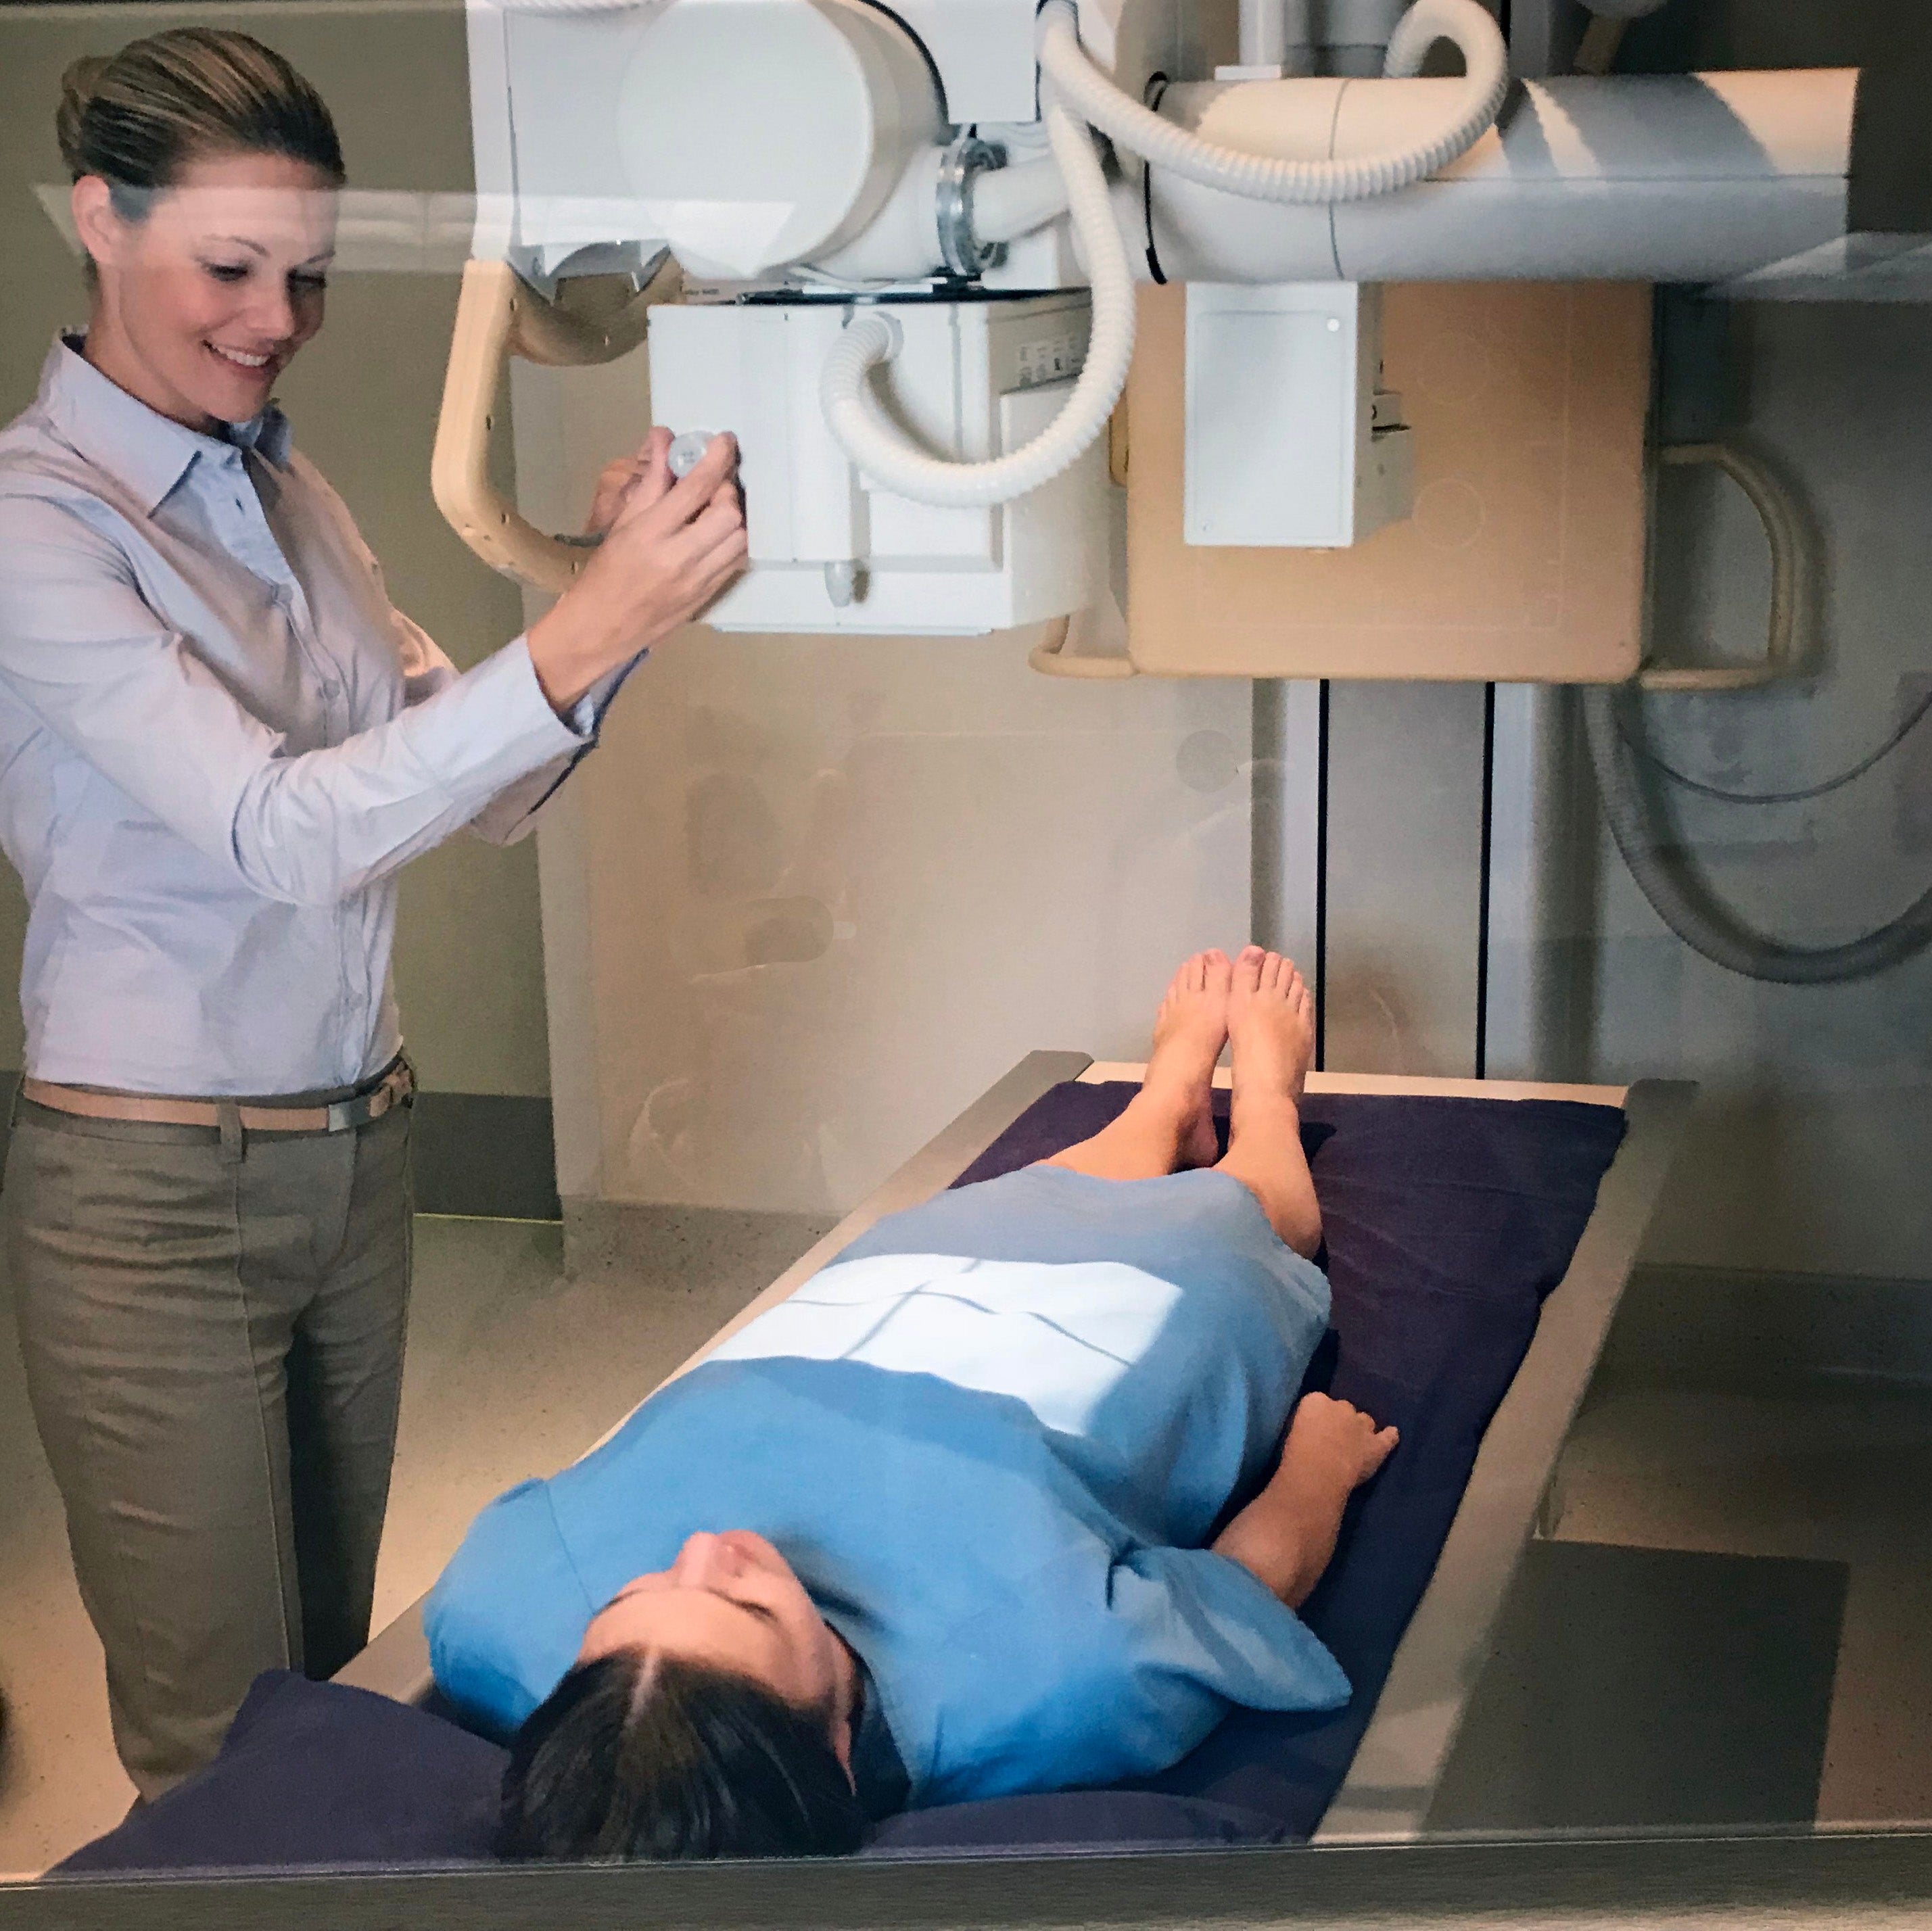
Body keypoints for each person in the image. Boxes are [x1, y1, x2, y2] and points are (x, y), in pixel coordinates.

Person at [0, 27, 745, 1800]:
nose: (276, 320)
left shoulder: (294, 496)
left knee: (329, 1697)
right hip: (150, 1201)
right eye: (230, 269)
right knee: (215, 1754)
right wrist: (579, 631)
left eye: (309, 276)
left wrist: (616, 612)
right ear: (101, 223)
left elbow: (471, 786)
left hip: (354, 1164)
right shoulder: (42, 526)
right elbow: (284, 834)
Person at [426, 947, 1400, 1861]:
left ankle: (1163, 1108)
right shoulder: (1041, 1682)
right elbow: (1242, 1595)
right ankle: (1265, 1111)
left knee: (986, 1219)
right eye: (748, 1603)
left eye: (636, 1594)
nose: (703, 1549)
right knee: (1233, 1239)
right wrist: (1320, 1469)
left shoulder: (495, 1623)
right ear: (838, 1751)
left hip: (844, 1331)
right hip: (1074, 1380)